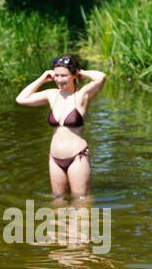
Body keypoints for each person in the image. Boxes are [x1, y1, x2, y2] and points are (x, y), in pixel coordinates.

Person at [14, 54, 107, 197]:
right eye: (56, 75)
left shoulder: (83, 95)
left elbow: (101, 77)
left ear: (73, 75)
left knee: (81, 201)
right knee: (57, 202)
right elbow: (21, 99)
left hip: (77, 157)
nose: (59, 79)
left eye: (64, 75)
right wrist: (43, 78)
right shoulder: (52, 95)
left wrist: (81, 72)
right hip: (55, 159)